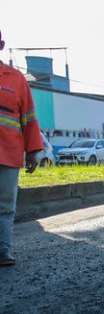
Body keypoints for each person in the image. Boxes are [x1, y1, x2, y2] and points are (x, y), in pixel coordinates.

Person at [0, 29, 44, 266]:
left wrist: (34, 151)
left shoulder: (15, 79)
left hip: (7, 153)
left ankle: (2, 251)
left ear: (1, 44)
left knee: (5, 205)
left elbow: (29, 117)